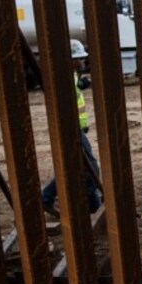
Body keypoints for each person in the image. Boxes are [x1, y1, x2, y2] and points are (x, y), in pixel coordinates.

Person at [42, 39, 101, 216]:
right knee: (90, 167)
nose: (83, 61)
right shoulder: (62, 77)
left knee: (74, 167)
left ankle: (47, 198)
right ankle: (93, 205)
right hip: (69, 129)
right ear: (70, 60)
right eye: (80, 58)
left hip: (76, 128)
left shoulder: (71, 75)